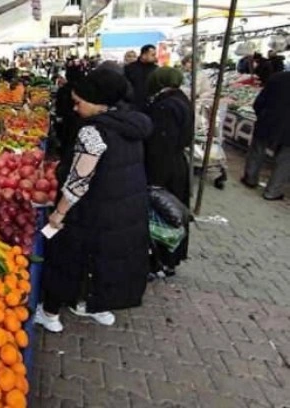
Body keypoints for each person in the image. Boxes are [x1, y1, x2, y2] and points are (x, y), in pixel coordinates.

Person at [35, 69, 152, 333]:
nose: (75, 108)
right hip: (124, 207)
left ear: (99, 102)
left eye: (79, 102)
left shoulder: (92, 132)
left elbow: (79, 180)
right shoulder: (130, 124)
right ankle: (96, 306)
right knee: (107, 258)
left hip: (92, 208)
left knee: (64, 253)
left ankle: (50, 313)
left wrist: (59, 213)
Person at [145, 67, 194, 275]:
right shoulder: (181, 99)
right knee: (173, 213)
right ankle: (170, 259)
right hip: (177, 164)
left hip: (165, 169)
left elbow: (161, 144)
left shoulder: (166, 106)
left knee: (165, 213)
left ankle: (163, 260)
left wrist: (154, 177)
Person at [242, 71, 290, 200]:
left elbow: (260, 100)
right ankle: (272, 191)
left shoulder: (278, 77)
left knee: (257, 149)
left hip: (268, 120)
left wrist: (261, 114)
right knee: (285, 160)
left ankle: (250, 179)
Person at [124, 44, 158, 110]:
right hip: (132, 106)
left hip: (150, 106)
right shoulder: (129, 68)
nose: (155, 57)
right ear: (144, 55)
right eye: (152, 55)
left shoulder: (156, 70)